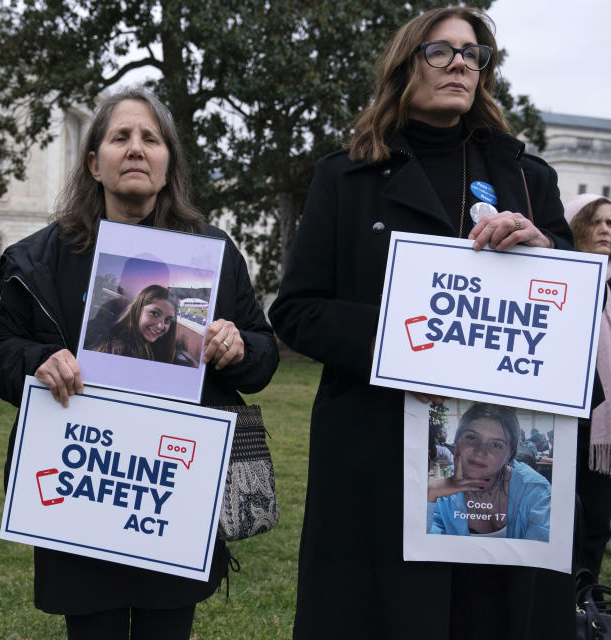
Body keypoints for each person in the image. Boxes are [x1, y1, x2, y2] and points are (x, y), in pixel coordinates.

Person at [268, 7, 574, 639]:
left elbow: (574, 315)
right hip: (374, 455)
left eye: (474, 54)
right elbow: (296, 311)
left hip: (489, 447)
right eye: (442, 51)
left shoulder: (527, 178)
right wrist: (414, 344)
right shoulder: (343, 176)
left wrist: (546, 255)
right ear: (405, 67)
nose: (461, 62)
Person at [0, 86, 278, 640]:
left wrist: (239, 348)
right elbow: (0, 350)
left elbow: (262, 356)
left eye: (151, 139)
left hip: (174, 488)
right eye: (121, 137)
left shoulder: (211, 254)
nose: (136, 149)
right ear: (94, 163)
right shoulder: (35, 259)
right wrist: (37, 360)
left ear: (168, 165)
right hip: (83, 480)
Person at [565, 193, 611, 577]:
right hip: (565, 424)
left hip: (604, 434)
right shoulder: (558, 278)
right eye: (595, 221)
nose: (605, 230)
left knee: (597, 523)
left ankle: (586, 608)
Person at [427, 404, 550, 540]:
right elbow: (421, 548)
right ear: (457, 441)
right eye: (472, 437)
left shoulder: (535, 491)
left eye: (496, 445)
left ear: (510, 454)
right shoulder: (441, 493)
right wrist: (430, 494)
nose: (480, 452)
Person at [89, 284, 177, 363]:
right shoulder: (122, 351)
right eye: (154, 313)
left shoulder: (144, 345)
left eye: (168, 320)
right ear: (137, 309)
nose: (161, 326)